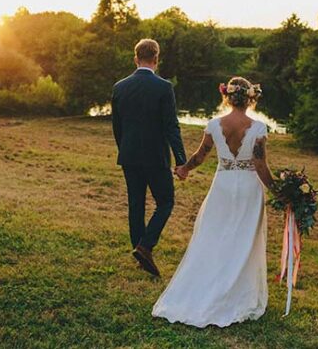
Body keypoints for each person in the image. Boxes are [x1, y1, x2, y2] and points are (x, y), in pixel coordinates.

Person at [152, 77, 274, 327]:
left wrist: (185, 169)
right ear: (250, 98)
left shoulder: (214, 125)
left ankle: (213, 285)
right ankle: (235, 291)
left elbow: (200, 156)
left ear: (227, 97)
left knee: (216, 234)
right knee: (244, 238)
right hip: (249, 187)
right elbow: (260, 165)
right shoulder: (259, 128)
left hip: (223, 186)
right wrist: (278, 190)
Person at [111, 39, 187, 277]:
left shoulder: (119, 86)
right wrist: (181, 160)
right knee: (165, 202)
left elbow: (117, 126)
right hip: (155, 157)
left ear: (136, 58)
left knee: (136, 204)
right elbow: (171, 127)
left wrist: (124, 148)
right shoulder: (164, 87)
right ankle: (145, 246)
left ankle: (139, 250)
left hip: (130, 155)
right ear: (156, 59)